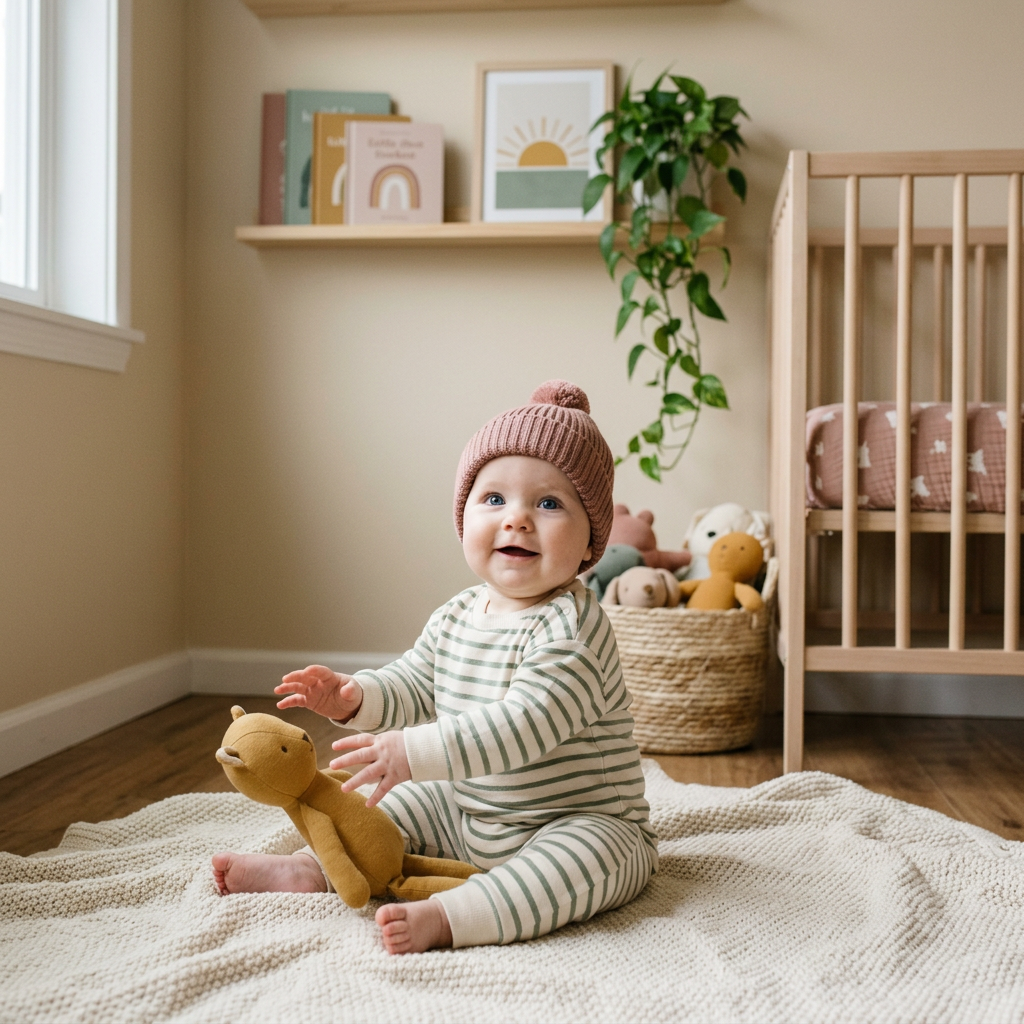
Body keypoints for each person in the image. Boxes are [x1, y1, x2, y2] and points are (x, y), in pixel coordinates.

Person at [211, 380, 658, 954]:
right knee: (384, 801)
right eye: (494, 499)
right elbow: (416, 682)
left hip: (575, 819)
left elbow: (525, 724)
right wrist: (354, 696)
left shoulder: (572, 629)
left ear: (592, 538)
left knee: (586, 861)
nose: (517, 519)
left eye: (548, 503)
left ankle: (452, 916)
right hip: (469, 810)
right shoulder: (458, 615)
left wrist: (412, 752)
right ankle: (311, 868)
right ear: (464, 515)